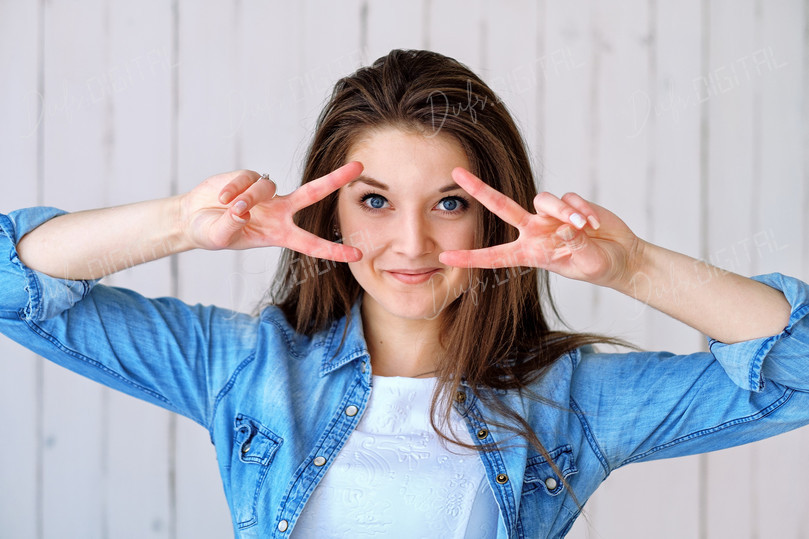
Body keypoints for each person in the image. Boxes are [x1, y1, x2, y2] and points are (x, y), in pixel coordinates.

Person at [1, 49, 807, 539]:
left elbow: (796, 368)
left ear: (495, 214)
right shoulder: (240, 367)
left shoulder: (572, 401)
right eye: (375, 200)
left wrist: (632, 267)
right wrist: (182, 220)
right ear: (330, 208)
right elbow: (13, 283)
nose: (412, 244)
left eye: (449, 203)